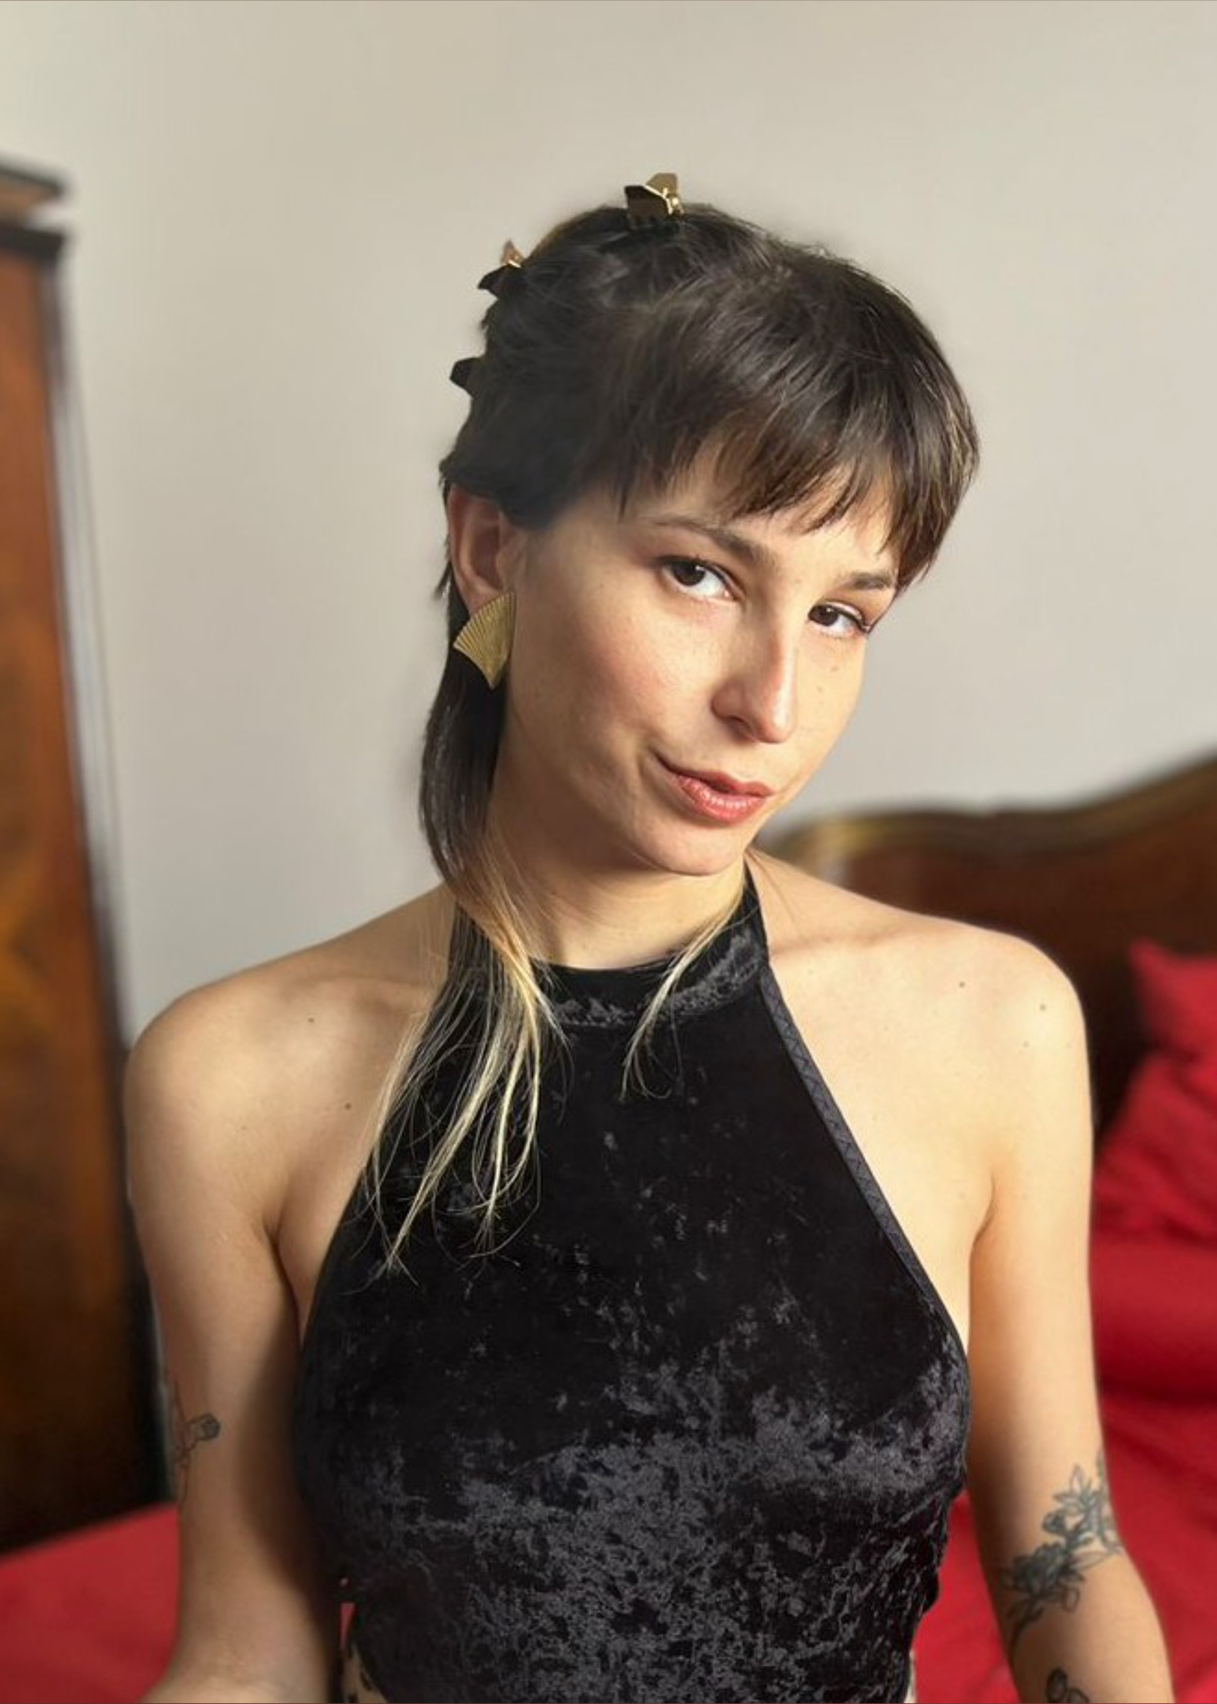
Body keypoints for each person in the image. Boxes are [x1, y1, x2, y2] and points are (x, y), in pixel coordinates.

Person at [126, 173, 1174, 1704]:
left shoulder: (989, 1021)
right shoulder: (227, 1077)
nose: (774, 705)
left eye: (843, 615)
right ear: (493, 549)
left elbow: (1063, 1566)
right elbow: (247, 1647)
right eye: (701, 574)